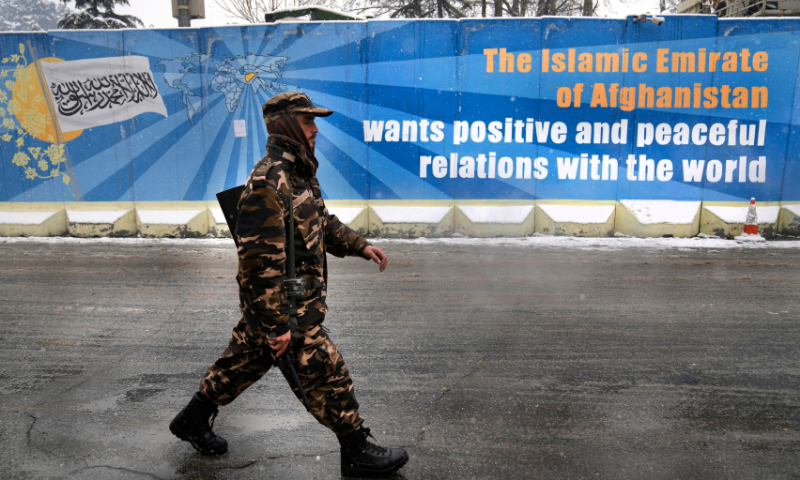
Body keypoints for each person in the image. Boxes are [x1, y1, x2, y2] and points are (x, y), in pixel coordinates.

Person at [169, 92, 409, 478]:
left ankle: (191, 420)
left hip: (279, 307)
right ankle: (356, 450)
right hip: (286, 307)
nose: (315, 130)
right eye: (308, 122)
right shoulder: (269, 181)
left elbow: (322, 223)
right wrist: (276, 324)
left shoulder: (298, 174)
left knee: (240, 364)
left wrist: (360, 246)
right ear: (286, 125)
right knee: (329, 375)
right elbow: (257, 263)